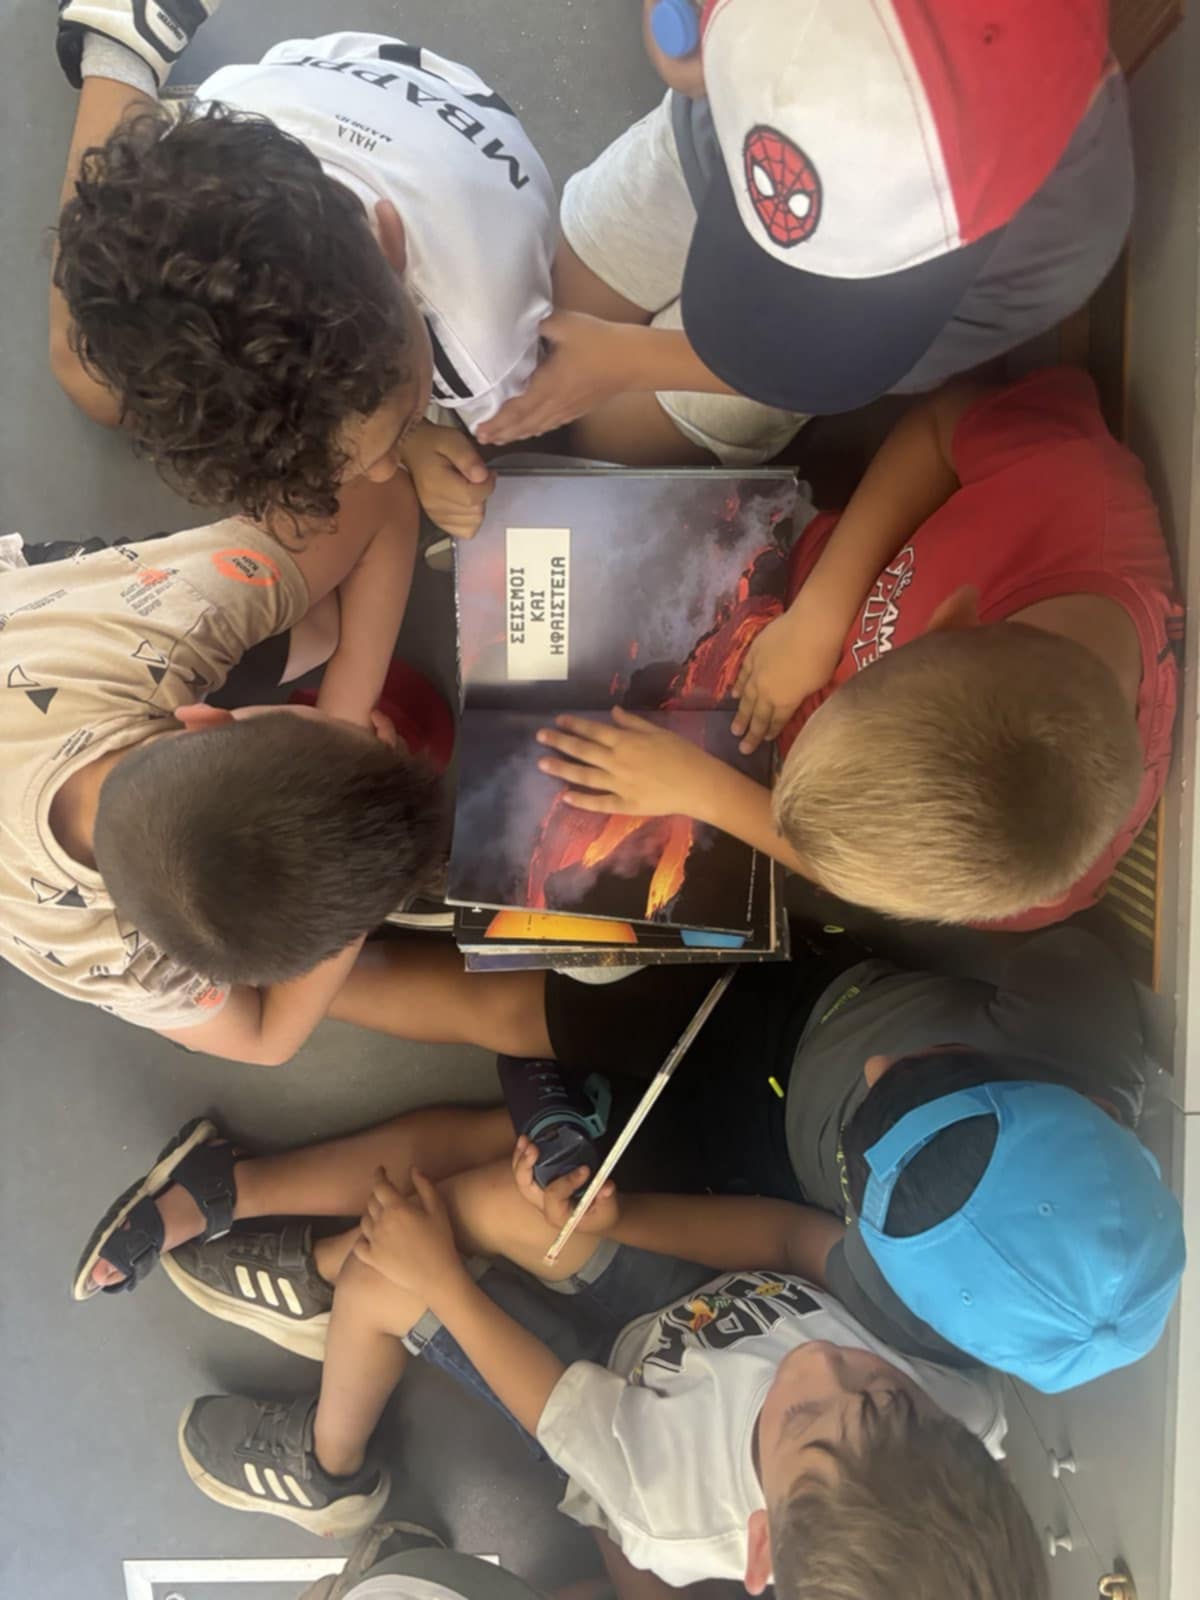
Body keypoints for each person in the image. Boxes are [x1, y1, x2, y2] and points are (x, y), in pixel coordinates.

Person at [73, 923, 1184, 1392]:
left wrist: (619, 1219)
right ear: (1076, 1105)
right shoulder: (1081, 1021)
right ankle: (234, 957)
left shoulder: (924, 1314)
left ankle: (234, 1186)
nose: (883, 1066)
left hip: (747, 1150)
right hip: (789, 988)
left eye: (876, 1119)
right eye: (929, 1073)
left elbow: (786, 1230)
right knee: (510, 1011)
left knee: (527, 1156)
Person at [138, 1116, 1046, 1600]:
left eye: (803, 1419)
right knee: (508, 1199)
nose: (819, 1365)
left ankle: (328, 1468)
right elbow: (787, 1242)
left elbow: (554, 1404)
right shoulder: (962, 1404)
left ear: (761, 1541)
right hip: (690, 1304)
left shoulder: (668, 1506)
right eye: (882, 1390)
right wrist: (621, 1221)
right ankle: (332, 1279)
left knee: (389, 1280)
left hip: (607, 1411)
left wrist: (438, 1277)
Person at [533, 369, 1182, 929]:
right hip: (791, 582)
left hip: (755, 777)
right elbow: (939, 427)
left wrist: (705, 792)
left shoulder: (1033, 870)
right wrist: (820, 617)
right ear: (949, 620)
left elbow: (853, 866)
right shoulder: (1071, 484)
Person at [477, 0, 1133, 472]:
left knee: (611, 438)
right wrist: (688, 34)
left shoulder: (1045, 252)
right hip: (722, 144)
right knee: (547, 315)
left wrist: (628, 360)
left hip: (855, 318)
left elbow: (830, 364)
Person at [51, 3, 556, 538]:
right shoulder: (221, 139)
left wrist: (406, 435)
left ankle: (122, 50)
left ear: (393, 244)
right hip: (285, 93)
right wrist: (413, 437)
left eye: (404, 425)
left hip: (439, 109)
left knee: (88, 372)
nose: (382, 474)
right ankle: (126, 48)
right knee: (105, 354)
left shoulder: (485, 361)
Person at [0, 478, 448, 1064]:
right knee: (318, 626)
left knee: (320, 630)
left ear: (205, 719)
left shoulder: (155, 628)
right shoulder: (109, 957)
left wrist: (348, 721)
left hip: (30, 627)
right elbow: (265, 1041)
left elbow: (381, 496)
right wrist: (360, 887)